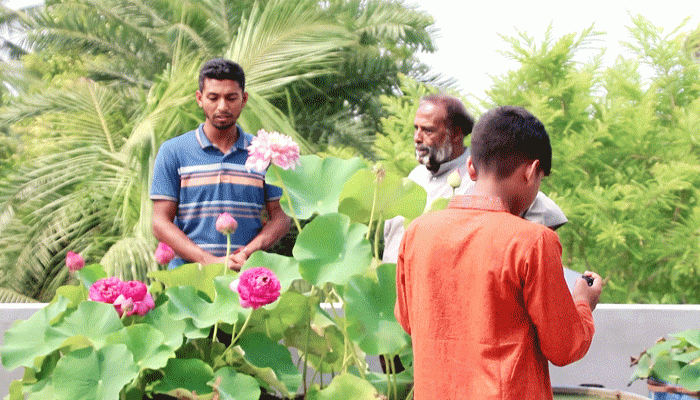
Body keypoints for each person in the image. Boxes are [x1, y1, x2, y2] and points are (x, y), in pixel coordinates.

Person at [394, 105, 602, 400]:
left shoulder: (417, 233)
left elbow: (408, 320)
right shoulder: (532, 242)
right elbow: (565, 346)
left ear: (471, 168)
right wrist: (583, 303)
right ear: (531, 172)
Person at [382, 94, 568, 264]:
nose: (417, 137)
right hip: (398, 291)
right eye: (416, 129)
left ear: (456, 133)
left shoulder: (483, 172)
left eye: (427, 130)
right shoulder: (415, 176)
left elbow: (543, 211)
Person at [150, 58, 291, 270]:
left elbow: (281, 216)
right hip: (189, 281)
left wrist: (247, 253)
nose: (222, 106)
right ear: (199, 98)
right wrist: (209, 262)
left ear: (244, 99)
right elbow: (159, 222)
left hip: (247, 277)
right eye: (213, 98)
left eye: (231, 98)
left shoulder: (265, 152)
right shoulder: (173, 152)